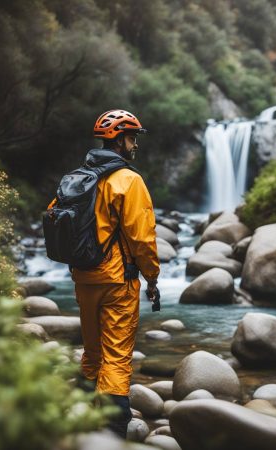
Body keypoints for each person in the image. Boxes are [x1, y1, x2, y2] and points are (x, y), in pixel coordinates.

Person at [72, 109, 160, 437]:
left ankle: (75, 420)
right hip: (117, 282)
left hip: (83, 278)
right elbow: (142, 237)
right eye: (132, 137)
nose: (135, 144)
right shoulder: (129, 180)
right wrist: (151, 277)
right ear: (119, 140)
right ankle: (111, 431)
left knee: (92, 353)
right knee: (117, 357)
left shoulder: (79, 177)